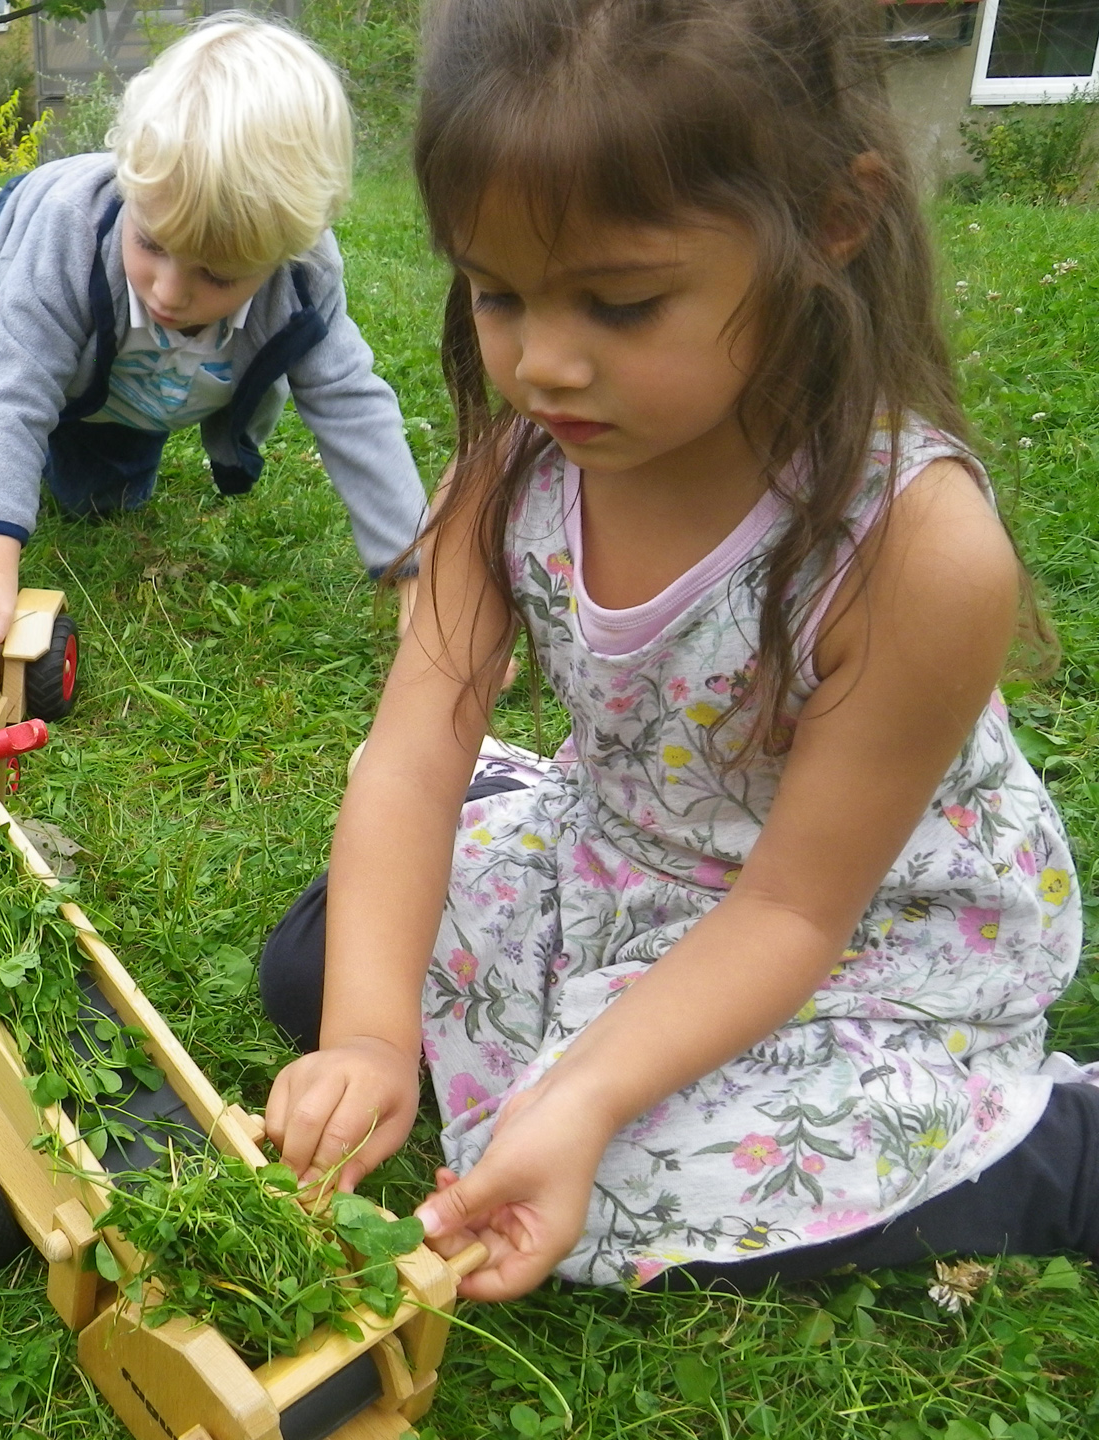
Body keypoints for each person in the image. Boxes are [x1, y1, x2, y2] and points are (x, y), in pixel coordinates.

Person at [258, 0, 1094, 1299]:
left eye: (623, 303)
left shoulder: (913, 551)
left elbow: (793, 910)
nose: (543, 363)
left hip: (851, 937)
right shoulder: (509, 476)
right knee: (317, 967)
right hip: (617, 859)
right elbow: (415, 757)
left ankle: (1055, 1146)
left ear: (831, 220)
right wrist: (365, 1039)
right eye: (498, 293)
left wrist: (585, 1097)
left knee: (609, 1192)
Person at [0, 13, 428, 644]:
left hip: (104, 367)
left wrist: (418, 579)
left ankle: (74, 411)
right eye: (151, 243)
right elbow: (21, 388)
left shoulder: (303, 282)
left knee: (100, 502)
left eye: (218, 274)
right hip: (12, 260)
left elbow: (353, 410)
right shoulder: (71, 229)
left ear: (284, 252)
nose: (170, 292)